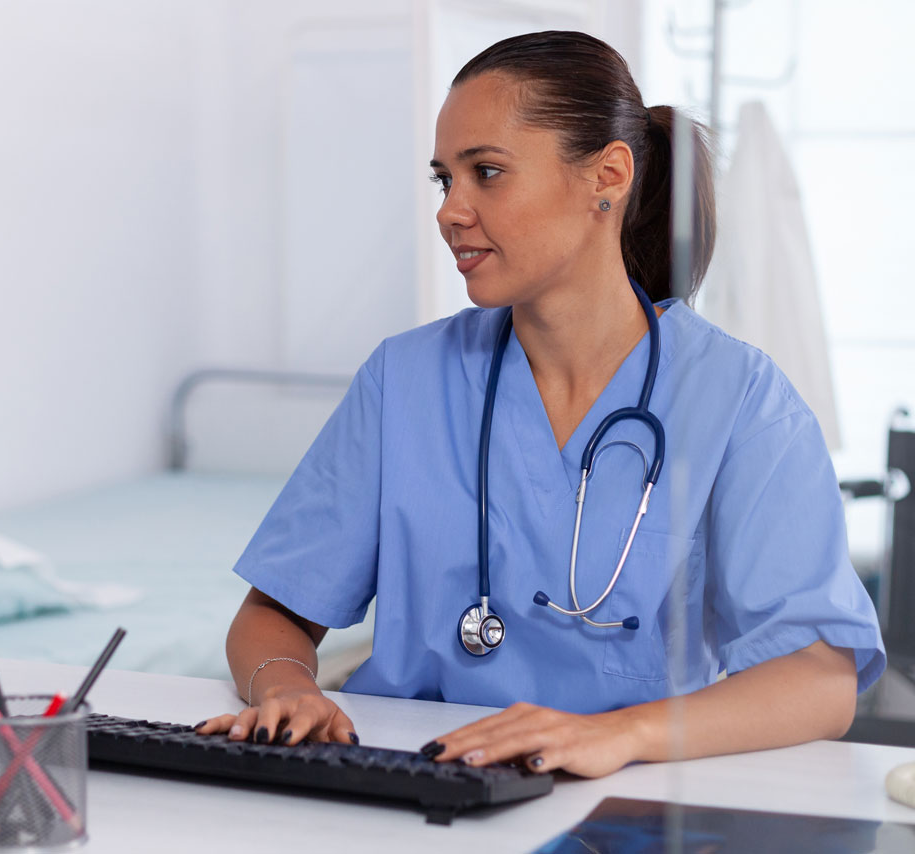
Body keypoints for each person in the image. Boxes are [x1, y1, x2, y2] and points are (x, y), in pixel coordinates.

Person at [196, 30, 884, 778]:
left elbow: (820, 679)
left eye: (486, 172)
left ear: (606, 178)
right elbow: (275, 613)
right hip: (409, 782)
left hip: (625, 798)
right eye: (444, 180)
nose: (450, 211)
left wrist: (624, 735)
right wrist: (288, 687)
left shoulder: (741, 400)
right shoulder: (406, 380)